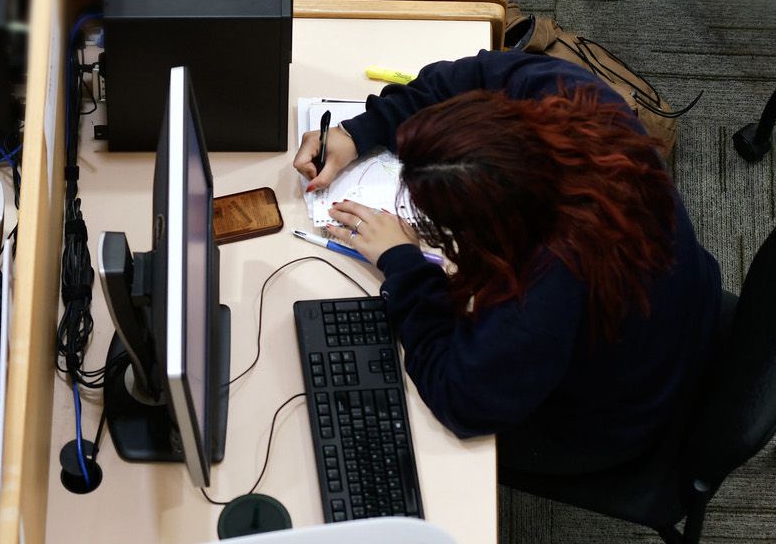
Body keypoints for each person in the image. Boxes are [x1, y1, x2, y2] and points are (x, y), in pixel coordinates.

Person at [292, 49, 724, 476]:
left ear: (497, 229)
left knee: (406, 439)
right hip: (687, 306)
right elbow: (474, 75)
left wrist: (402, 263)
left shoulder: (548, 283)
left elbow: (462, 400)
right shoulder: (575, 97)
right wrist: (360, 131)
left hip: (621, 414)